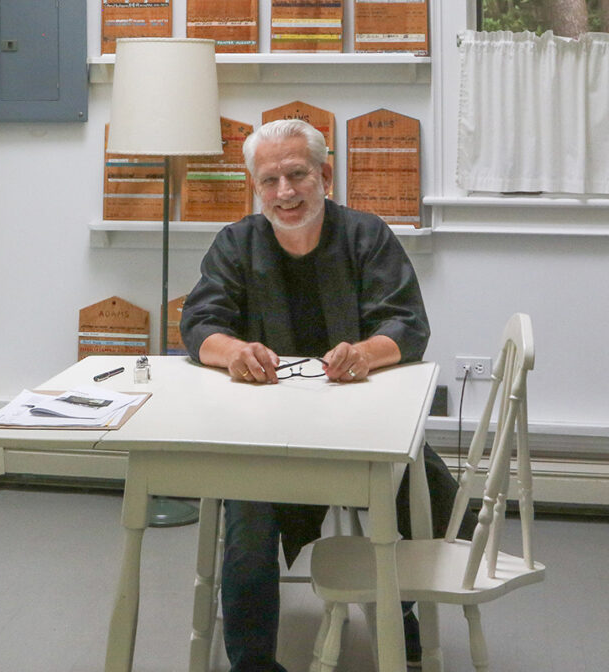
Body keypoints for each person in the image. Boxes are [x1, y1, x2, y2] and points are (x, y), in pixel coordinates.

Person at [179, 119, 473, 672]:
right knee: (248, 523)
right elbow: (199, 324)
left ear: (325, 175)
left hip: (362, 426)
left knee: (429, 500)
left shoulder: (366, 235)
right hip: (262, 430)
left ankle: (397, 608)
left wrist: (365, 352)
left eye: (297, 174)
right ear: (255, 188)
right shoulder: (236, 243)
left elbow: (407, 324)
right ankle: (253, 662)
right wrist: (234, 350)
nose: (285, 192)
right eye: (270, 180)